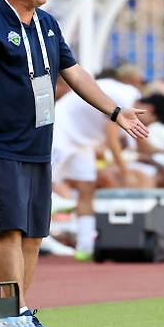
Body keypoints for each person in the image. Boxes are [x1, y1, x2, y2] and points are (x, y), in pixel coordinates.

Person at [0, 0, 148, 327]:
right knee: (9, 230)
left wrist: (115, 112)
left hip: (38, 141)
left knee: (32, 234)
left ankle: (17, 313)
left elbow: (74, 72)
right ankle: (13, 313)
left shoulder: (46, 23)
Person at [52, 74, 142, 260]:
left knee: (87, 189)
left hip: (84, 143)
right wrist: (125, 172)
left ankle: (85, 246)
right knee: (42, 180)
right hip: (60, 130)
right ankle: (54, 205)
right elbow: (112, 138)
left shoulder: (129, 94)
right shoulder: (122, 98)